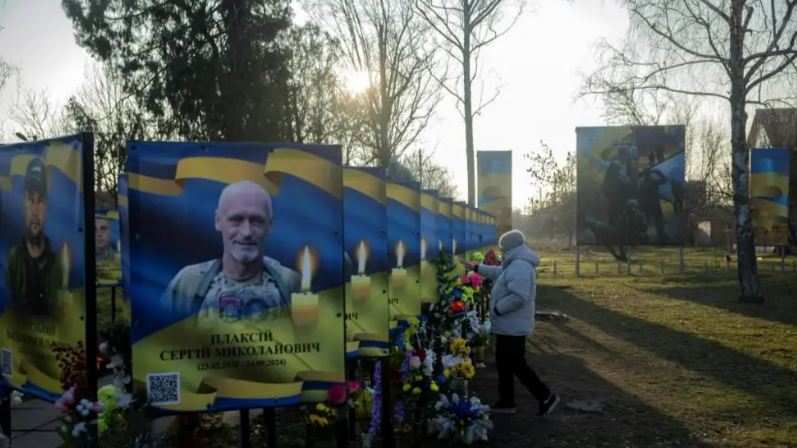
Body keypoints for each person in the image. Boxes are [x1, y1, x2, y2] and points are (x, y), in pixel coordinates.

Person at [160, 180, 301, 319]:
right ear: (218, 220)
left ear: (270, 225)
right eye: (236, 219)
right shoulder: (189, 283)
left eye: (257, 221)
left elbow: (309, 337)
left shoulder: (288, 283)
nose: (246, 232)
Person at [460, 230, 560, 417]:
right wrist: (476, 268)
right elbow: (499, 273)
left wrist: (497, 309)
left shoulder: (520, 266)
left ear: (511, 247)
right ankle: (506, 401)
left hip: (513, 326)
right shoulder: (514, 262)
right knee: (503, 362)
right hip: (509, 325)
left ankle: (546, 397)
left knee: (516, 364)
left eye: (502, 248)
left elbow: (519, 297)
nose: (500, 251)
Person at [5, 158, 65, 316]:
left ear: (46, 207)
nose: (35, 211)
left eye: (40, 201)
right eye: (31, 200)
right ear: (23, 203)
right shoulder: (13, 259)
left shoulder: (57, 262)